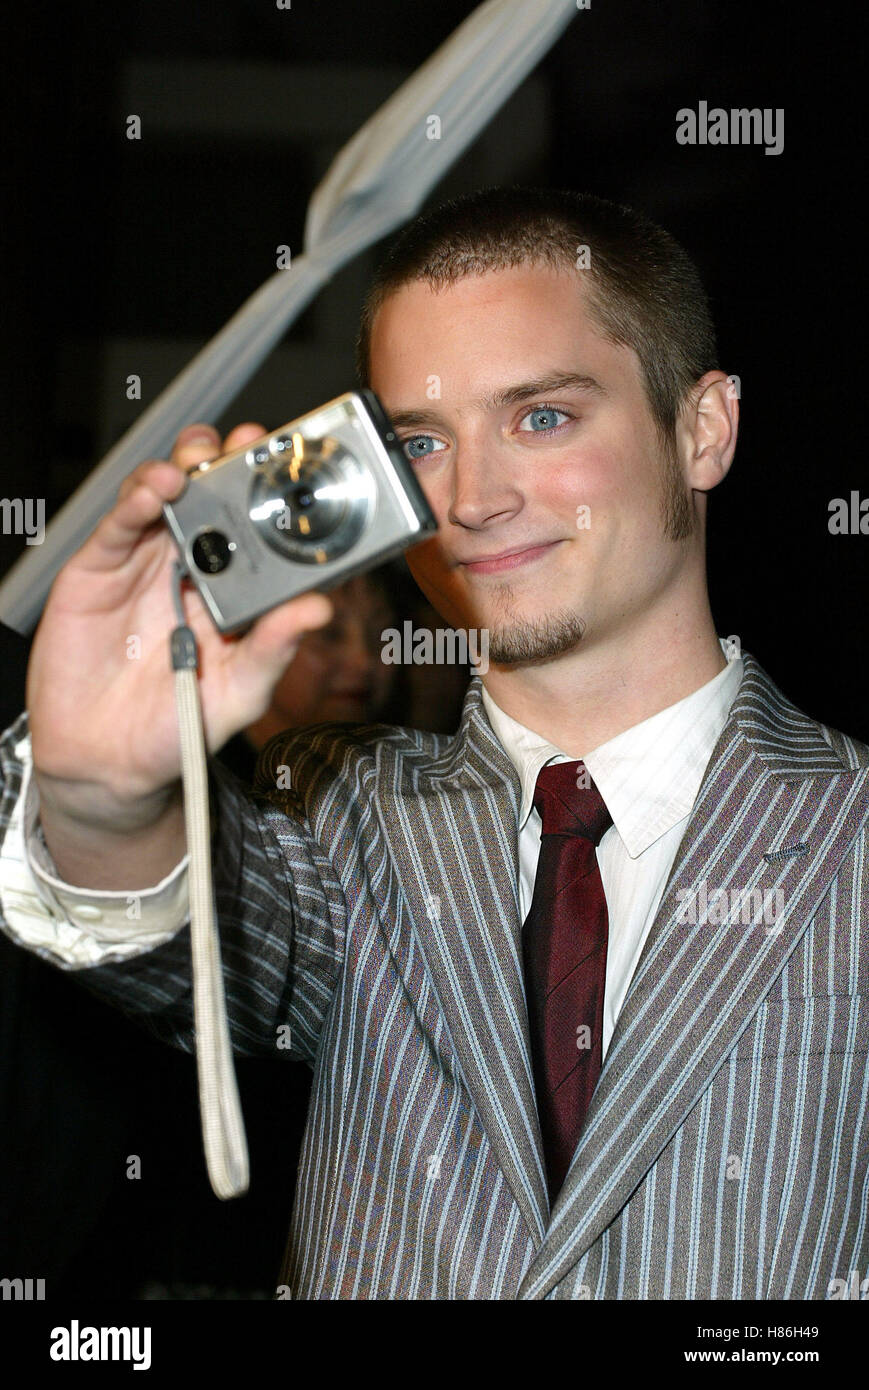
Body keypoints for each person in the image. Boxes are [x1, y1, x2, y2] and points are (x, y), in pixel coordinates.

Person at [1, 187, 866, 1300]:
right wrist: (99, 792)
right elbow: (180, 934)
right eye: (420, 439)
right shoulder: (338, 812)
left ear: (701, 428)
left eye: (541, 416)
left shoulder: (844, 828)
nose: (471, 499)